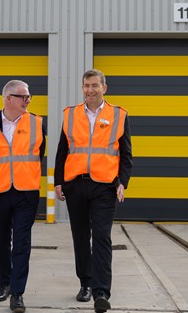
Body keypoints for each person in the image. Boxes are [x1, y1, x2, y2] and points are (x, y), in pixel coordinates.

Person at [54, 69, 133, 313]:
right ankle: (85, 284)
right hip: (76, 184)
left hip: (104, 186)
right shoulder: (71, 114)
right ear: (82, 88)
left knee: (101, 236)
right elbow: (62, 151)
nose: (90, 90)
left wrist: (122, 182)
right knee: (80, 236)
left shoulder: (118, 115)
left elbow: (126, 154)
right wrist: (58, 182)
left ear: (104, 88)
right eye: (87, 85)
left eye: (95, 85)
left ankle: (101, 292)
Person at [0, 80, 46, 313]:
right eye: (23, 97)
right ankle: (4, 283)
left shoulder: (37, 123)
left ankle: (17, 293)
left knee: (22, 244)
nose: (27, 101)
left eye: (28, 97)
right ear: (8, 98)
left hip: (26, 192)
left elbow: (40, 154)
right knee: (1, 243)